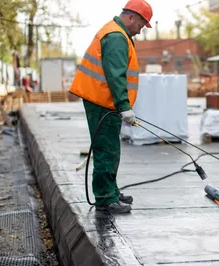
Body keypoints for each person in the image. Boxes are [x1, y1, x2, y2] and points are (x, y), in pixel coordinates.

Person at [69, 0, 153, 213]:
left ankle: (110, 191)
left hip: (103, 101)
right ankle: (105, 198)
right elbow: (115, 75)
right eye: (141, 25)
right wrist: (124, 106)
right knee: (106, 149)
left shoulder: (117, 33)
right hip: (101, 102)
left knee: (110, 148)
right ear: (131, 17)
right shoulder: (116, 37)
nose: (140, 31)